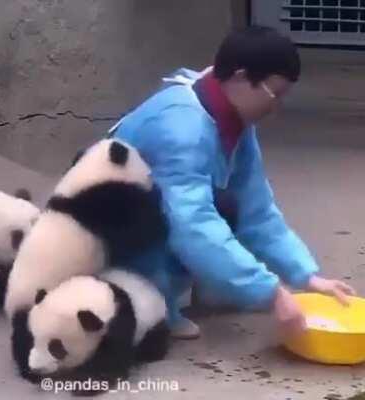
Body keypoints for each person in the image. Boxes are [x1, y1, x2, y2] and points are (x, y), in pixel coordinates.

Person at [106, 26, 355, 339]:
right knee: (186, 213)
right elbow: (190, 223)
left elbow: (257, 210)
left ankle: (200, 283)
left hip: (148, 212)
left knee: (227, 204)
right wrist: (270, 292)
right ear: (240, 77)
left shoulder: (231, 117)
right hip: (109, 228)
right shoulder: (182, 127)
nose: (276, 107)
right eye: (274, 94)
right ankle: (151, 301)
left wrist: (306, 276)